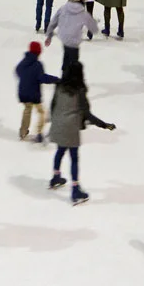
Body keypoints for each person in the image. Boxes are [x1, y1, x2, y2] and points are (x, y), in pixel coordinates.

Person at [47, 61, 116, 205]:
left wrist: (55, 121)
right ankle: (75, 189)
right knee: (74, 157)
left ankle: (55, 177)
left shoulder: (59, 86)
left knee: (60, 150)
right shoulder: (79, 90)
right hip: (70, 127)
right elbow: (87, 114)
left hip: (58, 124)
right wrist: (104, 125)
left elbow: (53, 105)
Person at [15, 41, 58, 142]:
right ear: (38, 52)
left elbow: (17, 70)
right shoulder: (38, 64)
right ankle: (39, 132)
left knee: (27, 110)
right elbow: (42, 78)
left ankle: (23, 132)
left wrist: (25, 79)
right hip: (34, 93)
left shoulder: (23, 62)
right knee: (41, 112)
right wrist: (55, 79)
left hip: (23, 92)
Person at [45, 0, 98, 70]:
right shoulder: (83, 13)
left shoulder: (63, 8)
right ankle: (69, 78)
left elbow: (53, 22)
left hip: (64, 38)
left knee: (67, 56)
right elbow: (94, 29)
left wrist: (49, 35)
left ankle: (64, 73)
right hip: (74, 41)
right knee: (73, 62)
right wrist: (94, 23)